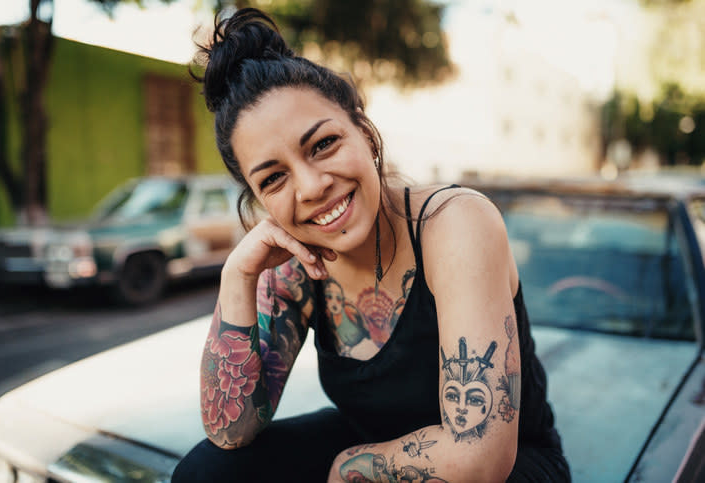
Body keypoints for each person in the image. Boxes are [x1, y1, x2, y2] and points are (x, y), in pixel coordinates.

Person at [172, 7, 570, 482]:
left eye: (322, 145)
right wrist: (237, 277)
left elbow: (479, 457)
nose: (311, 186)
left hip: (509, 469)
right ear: (259, 200)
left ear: (363, 130)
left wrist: (348, 469)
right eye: (274, 178)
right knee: (207, 472)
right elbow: (229, 432)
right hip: (377, 441)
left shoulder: (454, 223)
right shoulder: (293, 265)